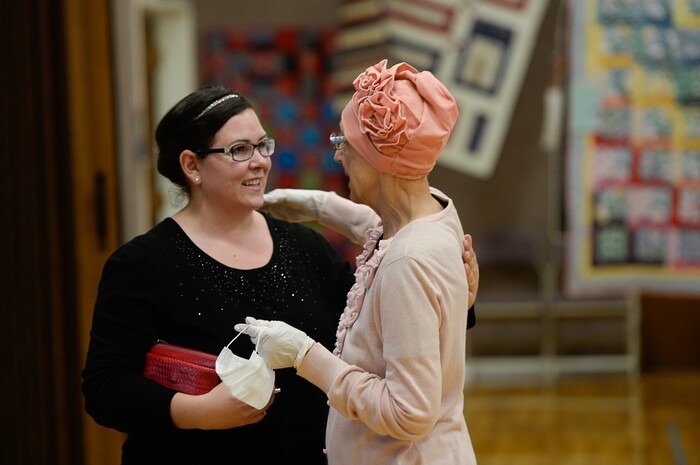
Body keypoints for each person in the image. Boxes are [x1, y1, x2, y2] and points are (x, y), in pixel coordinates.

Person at [81, 84, 479, 464]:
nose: (260, 161)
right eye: (239, 150)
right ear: (191, 166)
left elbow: (381, 338)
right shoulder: (143, 264)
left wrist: (458, 296)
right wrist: (198, 411)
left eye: (262, 145)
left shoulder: (303, 248)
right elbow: (105, 388)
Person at [236, 59, 478, 465]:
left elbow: (409, 413)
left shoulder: (407, 263)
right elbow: (383, 228)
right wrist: (319, 205)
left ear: (379, 160)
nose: (339, 156)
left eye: (344, 142)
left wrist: (303, 355)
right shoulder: (436, 213)